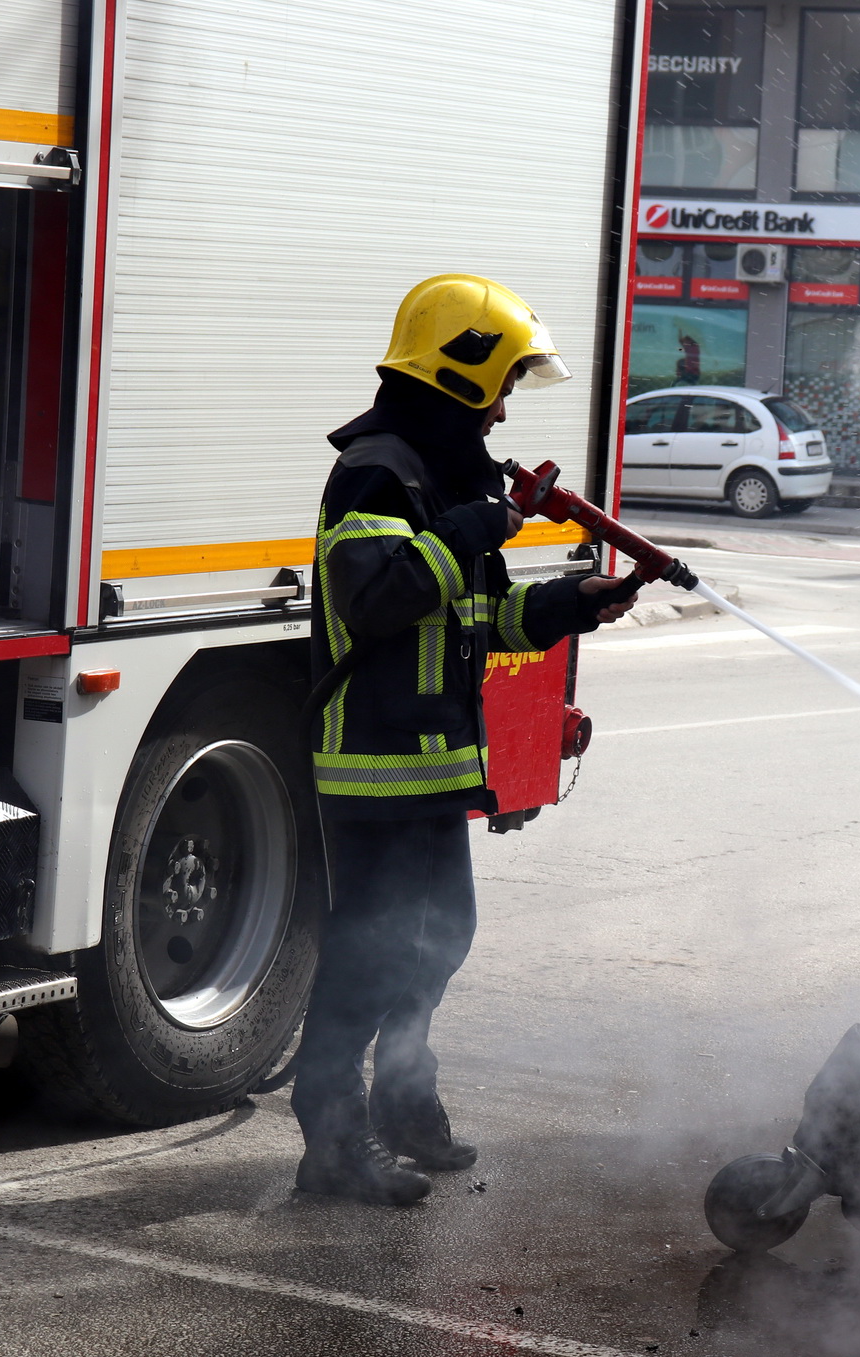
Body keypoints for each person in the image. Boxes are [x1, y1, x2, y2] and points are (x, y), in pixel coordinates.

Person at [292, 274, 639, 1206]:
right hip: (372, 763)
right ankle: (331, 1142)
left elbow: (476, 617)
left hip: (433, 763)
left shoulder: (438, 478)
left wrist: (574, 605)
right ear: (458, 372)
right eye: (503, 383)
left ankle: (405, 1103)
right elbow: (376, 602)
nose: (503, 409)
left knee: (441, 938)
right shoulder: (377, 471)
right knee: (371, 955)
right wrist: (471, 526)